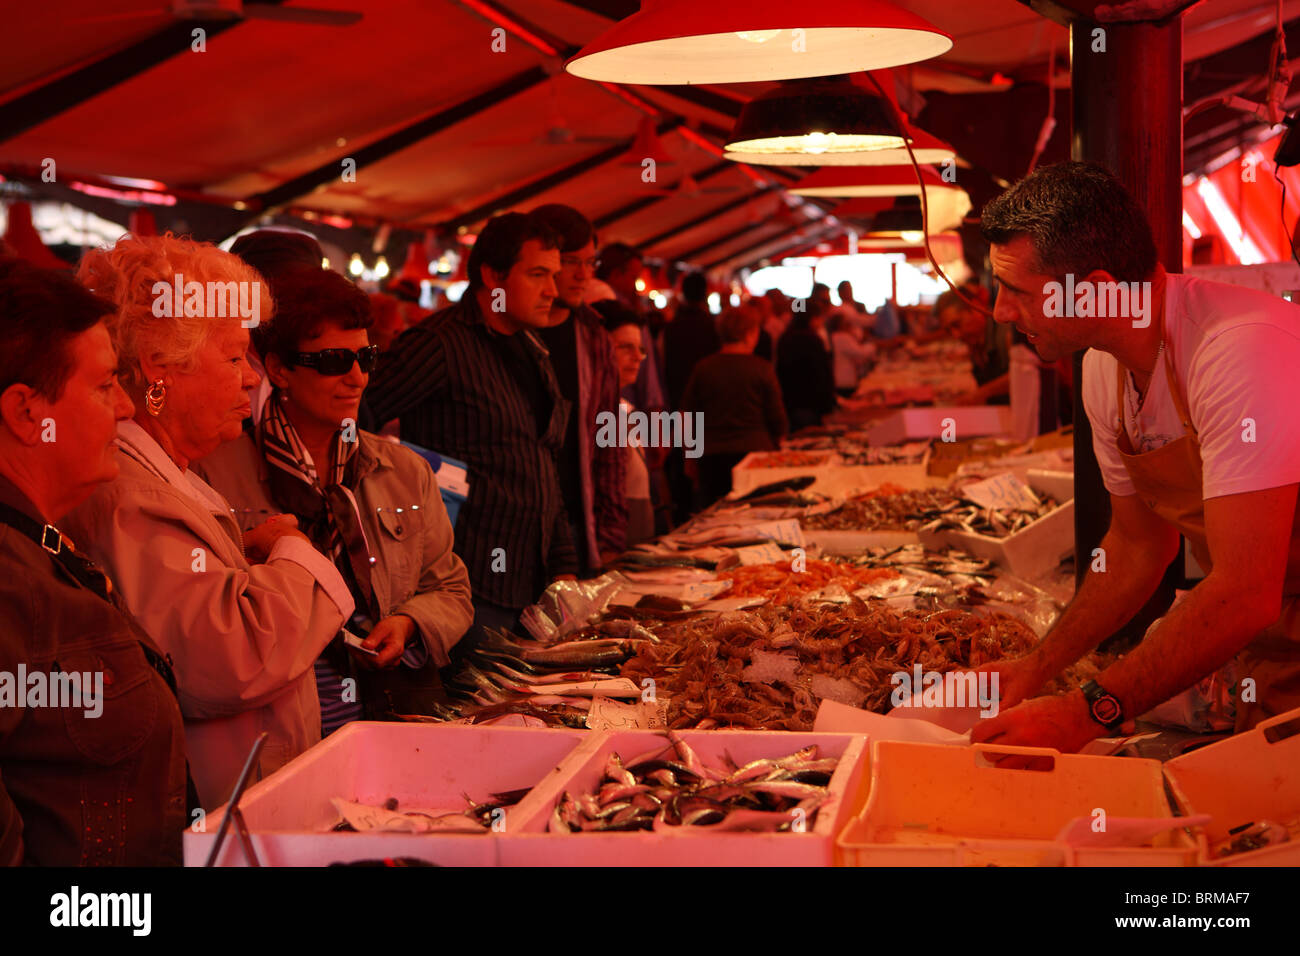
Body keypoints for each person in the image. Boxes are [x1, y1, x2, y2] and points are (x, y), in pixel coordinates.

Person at [972, 160, 1300, 754]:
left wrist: (1087, 711)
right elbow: (1136, 547)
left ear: (1094, 290)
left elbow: (1246, 589)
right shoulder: (1106, 362)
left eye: (1016, 291)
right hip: (1273, 642)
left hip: (1263, 608)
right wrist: (1037, 665)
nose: (1000, 312)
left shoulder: (1239, 351)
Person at [64, 234, 354, 809]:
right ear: (159, 371)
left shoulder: (162, 469)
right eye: (233, 357)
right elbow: (232, 658)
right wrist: (291, 549)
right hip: (210, 823)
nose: (252, 378)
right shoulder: (129, 489)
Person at [194, 266, 472, 731]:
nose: (357, 377)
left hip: (396, 713)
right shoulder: (214, 472)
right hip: (279, 722)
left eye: (366, 357)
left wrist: (408, 623)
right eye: (331, 361)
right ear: (279, 369)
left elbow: (450, 588)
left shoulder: (402, 470)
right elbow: (205, 612)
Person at [0, 259, 188, 865]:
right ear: (28, 413)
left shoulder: (42, 540)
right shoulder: (8, 581)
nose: (128, 408)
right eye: (106, 385)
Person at [365, 212, 578, 644]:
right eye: (538, 274)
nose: (552, 291)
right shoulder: (438, 345)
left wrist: (564, 564)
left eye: (554, 276)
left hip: (534, 591)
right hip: (467, 591)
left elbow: (543, 460)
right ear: (492, 275)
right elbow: (356, 420)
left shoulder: (534, 348)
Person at [531, 204, 627, 575]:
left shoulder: (593, 336)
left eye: (592, 263)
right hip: (513, 531)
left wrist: (611, 535)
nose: (584, 275)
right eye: (572, 261)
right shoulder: (509, 332)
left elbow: (610, 437)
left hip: (577, 520)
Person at [682, 306, 788, 507]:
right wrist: (780, 442)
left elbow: (687, 415)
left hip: (711, 456)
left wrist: (689, 457)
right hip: (755, 455)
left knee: (716, 515)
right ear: (750, 334)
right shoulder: (761, 368)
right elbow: (777, 416)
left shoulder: (703, 368)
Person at [229, 228, 326, 426]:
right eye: (280, 290)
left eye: (307, 293)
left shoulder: (321, 365)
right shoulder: (215, 364)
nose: (297, 304)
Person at [595, 300, 655, 547]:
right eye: (625, 348)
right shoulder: (597, 414)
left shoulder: (625, 410)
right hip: (614, 549)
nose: (637, 358)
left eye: (640, 349)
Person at [661, 271, 720, 410]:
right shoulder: (713, 325)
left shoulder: (671, 327)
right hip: (707, 396)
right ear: (705, 293)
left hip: (677, 395)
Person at [776, 298, 836, 432]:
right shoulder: (812, 340)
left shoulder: (785, 337)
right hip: (811, 403)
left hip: (789, 402)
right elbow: (821, 375)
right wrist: (828, 405)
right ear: (812, 318)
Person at [828, 311, 876, 397]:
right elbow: (860, 353)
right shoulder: (842, 337)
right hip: (844, 380)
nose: (850, 325)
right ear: (840, 324)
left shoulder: (835, 336)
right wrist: (873, 345)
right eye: (847, 323)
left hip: (840, 379)